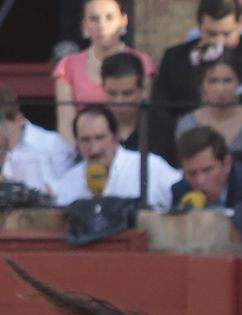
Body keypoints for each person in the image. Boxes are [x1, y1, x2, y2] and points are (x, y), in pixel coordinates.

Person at [153, 0, 242, 116]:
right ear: (199, 27)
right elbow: (161, 112)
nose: (219, 41)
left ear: (240, 25)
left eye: (226, 34)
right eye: (211, 33)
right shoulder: (175, 60)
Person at [53, 0, 156, 144]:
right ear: (84, 25)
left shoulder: (142, 62)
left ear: (123, 20)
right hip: (84, 153)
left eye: (109, 17)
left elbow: (143, 116)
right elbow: (66, 125)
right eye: (94, 19)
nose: (102, 26)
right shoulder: (68, 66)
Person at [50, 104, 183, 211]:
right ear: (77, 143)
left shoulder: (149, 166)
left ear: (116, 136)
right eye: (85, 140)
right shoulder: (70, 181)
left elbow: (184, 194)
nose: (94, 149)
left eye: (100, 138)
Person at [173, 47, 242, 166]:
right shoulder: (188, 124)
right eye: (213, 81)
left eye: (227, 81)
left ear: (238, 83)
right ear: (202, 85)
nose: (220, 89)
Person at [98, 51, 178, 165]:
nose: (119, 101)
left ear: (141, 90)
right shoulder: (94, 125)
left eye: (127, 93)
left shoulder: (164, 126)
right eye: (112, 93)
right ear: (103, 88)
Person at [170, 124, 242, 208]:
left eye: (207, 170)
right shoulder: (180, 193)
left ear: (227, 164)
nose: (200, 181)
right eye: (192, 173)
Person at [0, 86, 75, 187]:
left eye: (4, 131)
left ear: (19, 120)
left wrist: (44, 189)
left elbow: (71, 185)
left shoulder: (52, 142)